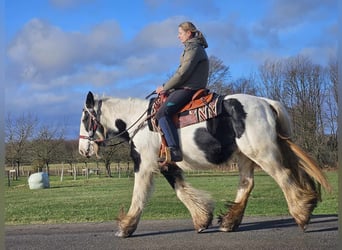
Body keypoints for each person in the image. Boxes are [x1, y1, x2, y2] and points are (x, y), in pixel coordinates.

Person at [155, 21, 209, 162]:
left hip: (190, 89)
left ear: (188, 33)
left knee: (162, 113)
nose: (178, 36)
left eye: (180, 33)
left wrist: (165, 87)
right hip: (186, 87)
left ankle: (174, 151)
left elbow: (182, 74)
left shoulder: (194, 48)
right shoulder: (192, 48)